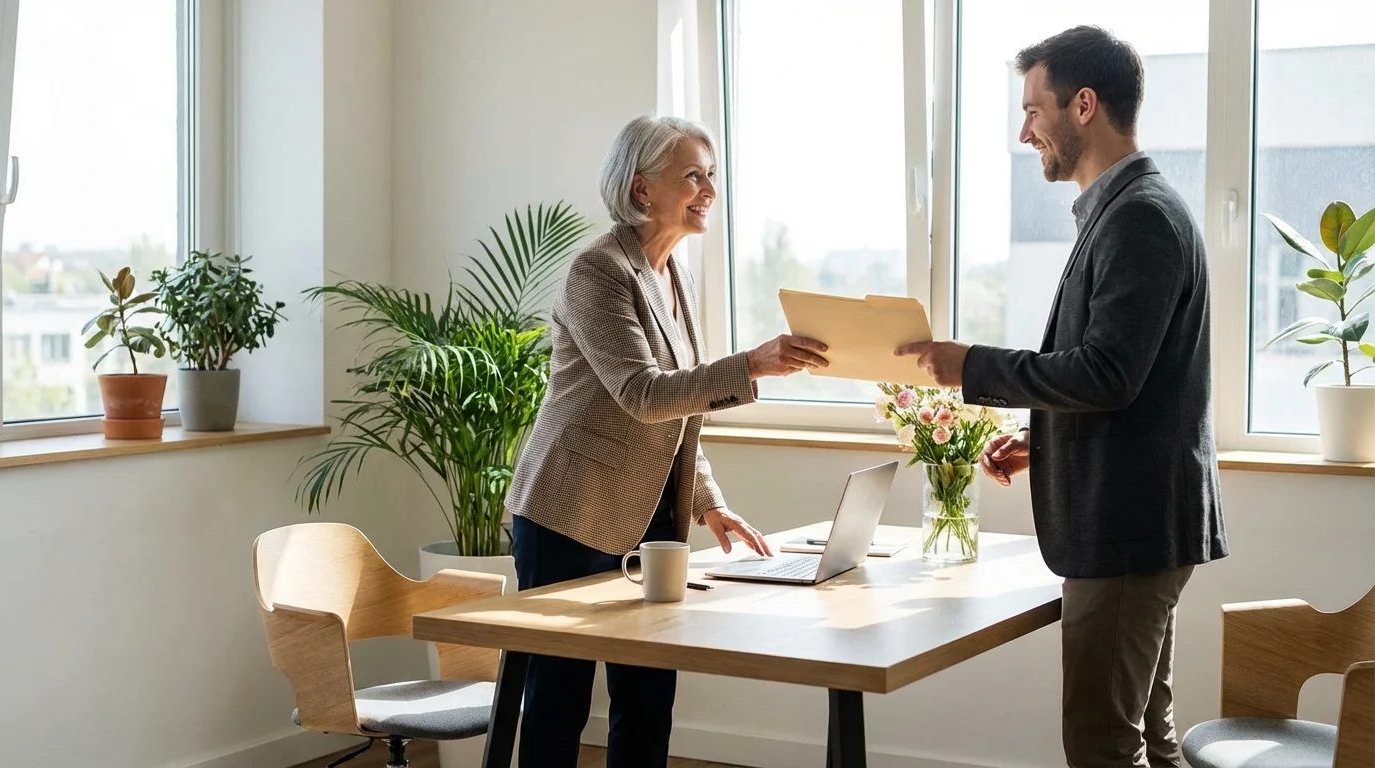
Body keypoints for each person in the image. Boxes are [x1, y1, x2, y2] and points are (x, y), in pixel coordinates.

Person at [898, 26, 1228, 768]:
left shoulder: (1139, 216)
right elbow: (1128, 383)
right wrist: (1043, 438)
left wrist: (969, 365)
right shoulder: (1126, 210)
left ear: (1084, 105)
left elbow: (1109, 374)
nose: (1025, 132)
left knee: (1102, 743)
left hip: (1128, 525)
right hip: (1139, 521)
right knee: (1146, 735)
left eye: (1033, 110)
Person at [503, 114, 829, 768]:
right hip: (568, 512)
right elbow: (644, 395)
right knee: (557, 702)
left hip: (652, 520)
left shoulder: (671, 274)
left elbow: (680, 413)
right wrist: (752, 364)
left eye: (711, 175)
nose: (708, 189)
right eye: (692, 175)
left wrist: (708, 502)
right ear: (641, 187)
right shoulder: (598, 271)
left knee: (649, 695)